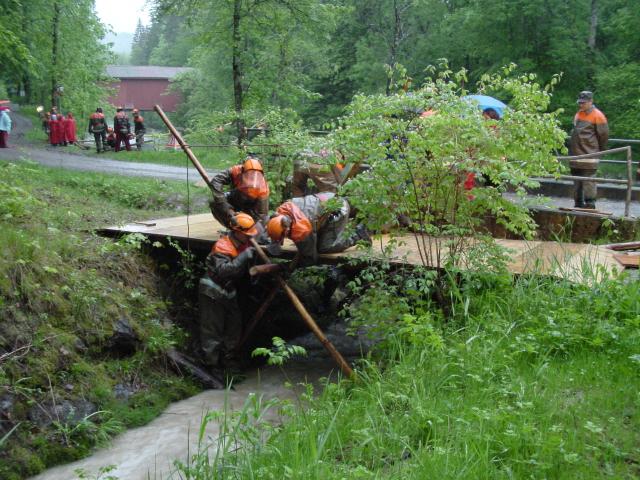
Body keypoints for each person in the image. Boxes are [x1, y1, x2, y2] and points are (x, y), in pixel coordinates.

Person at [199, 212, 259, 372]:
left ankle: (228, 359)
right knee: (212, 328)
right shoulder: (222, 246)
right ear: (237, 232)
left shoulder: (243, 242)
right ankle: (211, 365)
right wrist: (244, 256)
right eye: (246, 235)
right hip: (212, 290)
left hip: (229, 290)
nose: (249, 237)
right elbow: (224, 271)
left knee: (234, 326)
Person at [266, 192, 370, 265]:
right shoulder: (283, 210)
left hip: (337, 209)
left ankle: (359, 235)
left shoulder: (302, 230)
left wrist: (283, 267)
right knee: (313, 240)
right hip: (327, 198)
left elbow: (311, 259)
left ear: (287, 230)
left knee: (324, 248)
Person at [569, 91, 609, 209]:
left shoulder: (598, 115)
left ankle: (590, 204)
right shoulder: (578, 114)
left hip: (590, 153)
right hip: (575, 155)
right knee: (576, 179)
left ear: (590, 102)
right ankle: (578, 202)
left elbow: (604, 136)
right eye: (580, 103)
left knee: (589, 179)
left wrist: (599, 151)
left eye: (583, 103)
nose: (581, 105)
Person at [209, 157, 270, 227]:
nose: (252, 176)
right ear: (243, 170)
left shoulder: (263, 188)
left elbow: (262, 215)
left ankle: (246, 229)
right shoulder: (235, 170)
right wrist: (222, 203)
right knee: (215, 202)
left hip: (251, 207)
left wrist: (257, 231)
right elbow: (216, 180)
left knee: (261, 221)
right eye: (249, 173)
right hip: (236, 197)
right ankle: (231, 227)